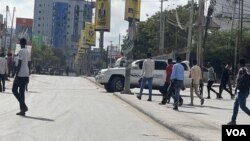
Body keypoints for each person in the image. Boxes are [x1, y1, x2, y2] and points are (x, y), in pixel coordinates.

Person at [227, 59, 250, 125]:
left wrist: (236, 90)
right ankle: (233, 120)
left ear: (239, 64)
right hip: (244, 90)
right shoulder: (246, 70)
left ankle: (233, 120)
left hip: (241, 91)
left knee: (242, 106)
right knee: (236, 105)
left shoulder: (241, 70)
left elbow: (239, 81)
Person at [12, 38, 31, 116]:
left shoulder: (20, 51)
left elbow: (19, 64)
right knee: (21, 92)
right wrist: (28, 74)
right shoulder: (27, 51)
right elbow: (29, 63)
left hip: (20, 74)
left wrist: (16, 75)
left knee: (14, 90)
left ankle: (23, 106)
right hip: (26, 73)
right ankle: (22, 109)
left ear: (21, 43)